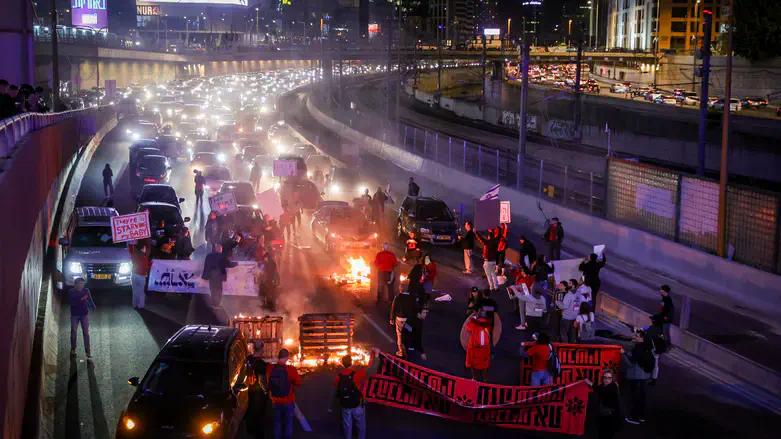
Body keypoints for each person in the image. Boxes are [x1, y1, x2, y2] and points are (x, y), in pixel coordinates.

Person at [331, 349, 382, 439]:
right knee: (361, 425)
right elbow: (373, 370)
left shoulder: (338, 377)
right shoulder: (357, 374)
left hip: (345, 405)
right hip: (358, 403)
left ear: (342, 364)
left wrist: (330, 407)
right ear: (351, 363)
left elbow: (334, 392)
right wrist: (377, 356)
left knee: (347, 426)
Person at [266, 349, 302, 439]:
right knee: (288, 423)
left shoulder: (270, 368)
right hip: (288, 401)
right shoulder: (291, 369)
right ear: (287, 357)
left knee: (277, 423)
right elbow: (298, 383)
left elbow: (268, 382)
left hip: (275, 401)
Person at [622, 331, 655, 424]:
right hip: (645, 376)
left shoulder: (638, 348)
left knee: (634, 398)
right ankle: (641, 416)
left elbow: (631, 362)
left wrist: (624, 353)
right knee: (642, 397)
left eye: (636, 336)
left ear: (641, 339)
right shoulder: (648, 347)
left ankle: (634, 418)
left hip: (636, 376)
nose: (634, 337)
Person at [585, 370, 622, 439]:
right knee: (602, 431)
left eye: (609, 378)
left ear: (612, 379)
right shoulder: (603, 385)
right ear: (602, 378)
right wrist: (590, 383)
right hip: (603, 412)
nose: (607, 379)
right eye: (605, 377)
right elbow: (599, 388)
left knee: (607, 433)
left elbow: (602, 391)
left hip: (611, 415)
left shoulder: (613, 386)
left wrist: (590, 383)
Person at [68, 278, 95, 359]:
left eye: (83, 284)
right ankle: (73, 349)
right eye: (80, 284)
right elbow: (71, 303)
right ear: (75, 284)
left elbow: (89, 299)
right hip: (75, 315)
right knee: (73, 332)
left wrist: (92, 306)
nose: (82, 285)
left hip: (84, 314)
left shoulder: (86, 291)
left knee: (86, 333)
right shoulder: (71, 292)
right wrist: (81, 299)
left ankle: (88, 352)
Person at [248, 340, 270, 439]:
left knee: (250, 417)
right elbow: (261, 380)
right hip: (258, 395)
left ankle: (250, 434)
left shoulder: (248, 360)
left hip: (248, 392)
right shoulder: (260, 364)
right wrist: (266, 391)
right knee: (260, 419)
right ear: (261, 349)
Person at [390, 283, 419, 357]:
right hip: (409, 319)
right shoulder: (411, 298)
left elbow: (394, 308)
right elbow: (415, 308)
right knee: (409, 332)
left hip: (400, 319)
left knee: (399, 334)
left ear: (400, 289)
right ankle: (410, 347)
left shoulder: (397, 297)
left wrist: (392, 318)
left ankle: (401, 351)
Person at [465, 309, 492, 382]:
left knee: (473, 365)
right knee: (484, 365)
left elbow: (467, 328)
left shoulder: (474, 324)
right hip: (484, 350)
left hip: (474, 349)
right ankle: (485, 380)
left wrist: (474, 318)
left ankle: (474, 379)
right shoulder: (488, 325)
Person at [651, 285, 674, 351]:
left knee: (665, 332)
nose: (660, 291)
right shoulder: (664, 298)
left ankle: (667, 346)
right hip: (664, 318)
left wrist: (662, 317)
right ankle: (667, 344)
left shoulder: (667, 299)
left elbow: (666, 310)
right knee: (664, 332)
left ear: (664, 291)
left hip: (666, 319)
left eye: (661, 289)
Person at [128, 239, 150, 309]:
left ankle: (134, 304)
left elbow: (130, 247)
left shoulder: (134, 253)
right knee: (141, 291)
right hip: (141, 275)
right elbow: (146, 267)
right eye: (145, 248)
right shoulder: (144, 257)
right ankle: (140, 305)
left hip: (134, 274)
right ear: (143, 248)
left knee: (135, 290)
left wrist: (132, 241)